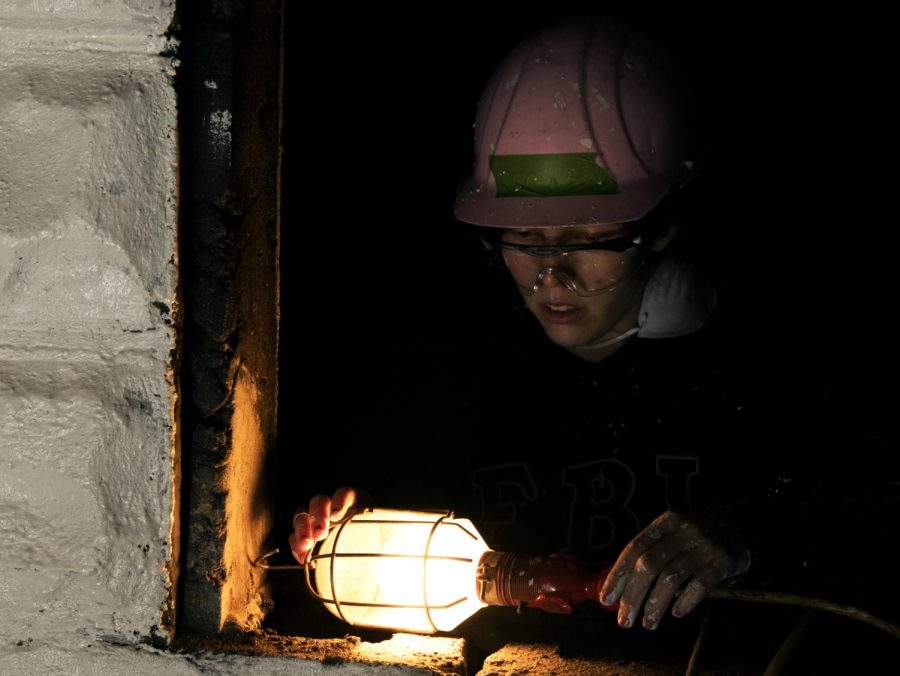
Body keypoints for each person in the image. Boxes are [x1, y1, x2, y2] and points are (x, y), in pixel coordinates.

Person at [288, 14, 899, 638]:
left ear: (662, 227)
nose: (552, 276)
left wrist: (745, 531)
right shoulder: (451, 369)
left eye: (586, 239)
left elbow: (873, 515)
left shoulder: (766, 370)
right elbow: (374, 502)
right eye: (524, 237)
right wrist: (340, 526)